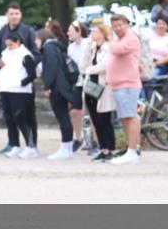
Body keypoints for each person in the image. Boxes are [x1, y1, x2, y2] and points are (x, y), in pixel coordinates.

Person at [0, 2, 39, 153]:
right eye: (11, 14)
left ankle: (32, 144)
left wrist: (23, 70)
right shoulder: (1, 32)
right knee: (9, 115)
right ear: (7, 15)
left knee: (27, 115)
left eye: (17, 13)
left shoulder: (28, 31)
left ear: (21, 15)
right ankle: (13, 143)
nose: (14, 16)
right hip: (7, 84)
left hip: (22, 84)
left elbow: (35, 54)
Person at [36, 26, 81, 161]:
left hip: (57, 86)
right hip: (64, 85)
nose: (35, 43)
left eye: (36, 40)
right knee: (64, 117)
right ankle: (66, 147)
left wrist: (47, 85)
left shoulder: (48, 48)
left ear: (42, 38)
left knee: (62, 117)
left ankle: (66, 147)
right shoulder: (57, 46)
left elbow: (51, 67)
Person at [106, 12, 143, 165]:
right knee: (124, 118)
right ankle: (130, 148)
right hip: (118, 85)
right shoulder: (119, 39)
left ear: (127, 24)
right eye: (114, 26)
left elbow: (116, 50)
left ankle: (132, 151)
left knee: (131, 117)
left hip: (128, 84)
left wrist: (109, 38)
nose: (117, 28)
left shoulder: (131, 38)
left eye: (120, 25)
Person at [0, 32, 38, 159]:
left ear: (18, 43)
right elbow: (0, 69)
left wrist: (21, 83)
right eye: (7, 45)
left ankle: (31, 146)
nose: (9, 47)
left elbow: (32, 74)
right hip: (5, 89)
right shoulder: (5, 54)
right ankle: (14, 144)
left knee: (21, 118)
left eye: (11, 45)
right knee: (9, 119)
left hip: (20, 91)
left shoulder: (25, 55)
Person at [82, 23, 117, 161]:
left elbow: (105, 66)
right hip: (91, 86)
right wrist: (87, 50)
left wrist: (89, 70)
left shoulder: (108, 48)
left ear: (102, 33)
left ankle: (110, 149)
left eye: (95, 31)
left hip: (104, 86)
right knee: (95, 120)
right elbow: (82, 65)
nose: (92, 34)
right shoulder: (92, 48)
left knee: (104, 120)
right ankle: (103, 148)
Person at [65, 20, 89, 151]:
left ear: (79, 31)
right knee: (75, 111)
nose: (68, 33)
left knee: (91, 112)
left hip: (89, 81)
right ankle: (78, 138)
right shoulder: (70, 47)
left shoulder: (89, 44)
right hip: (78, 82)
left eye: (70, 30)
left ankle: (94, 141)